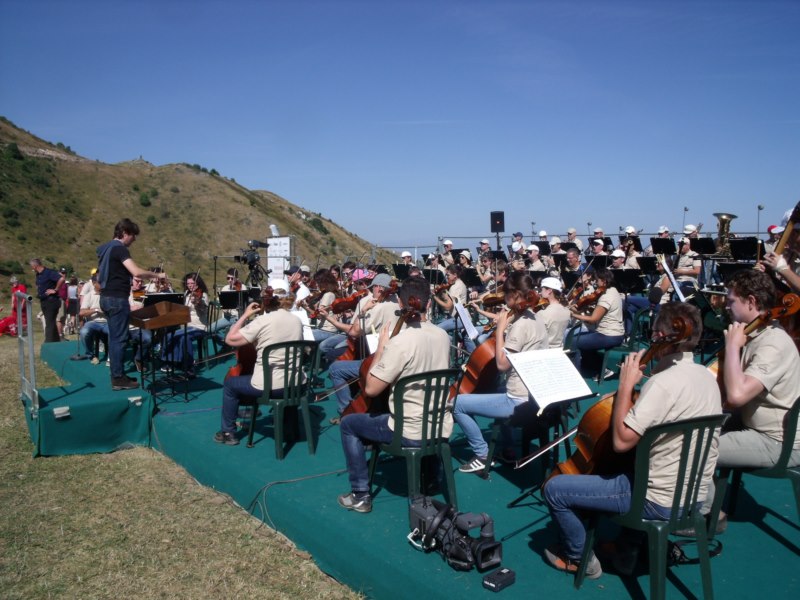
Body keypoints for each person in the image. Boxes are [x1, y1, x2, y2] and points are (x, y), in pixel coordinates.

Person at [543, 302, 721, 579]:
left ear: (661, 337)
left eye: (653, 332)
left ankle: (581, 560)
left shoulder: (662, 384)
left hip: (658, 500)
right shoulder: (705, 376)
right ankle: (627, 552)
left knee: (556, 489)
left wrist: (625, 387)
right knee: (632, 467)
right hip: (695, 497)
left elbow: (622, 441)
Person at [337, 275, 450, 513]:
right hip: (439, 426)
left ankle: (360, 494)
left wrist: (381, 349)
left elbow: (370, 389)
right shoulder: (444, 336)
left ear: (400, 303)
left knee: (348, 424)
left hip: (408, 430)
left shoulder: (400, 343)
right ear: (428, 304)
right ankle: (431, 478)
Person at [453, 271, 548, 473]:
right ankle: (508, 449)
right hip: (535, 393)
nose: (504, 299)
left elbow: (502, 365)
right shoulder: (536, 318)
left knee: (456, 404)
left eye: (506, 295)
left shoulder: (520, 326)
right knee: (496, 386)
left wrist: (500, 331)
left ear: (514, 296)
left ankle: (481, 454)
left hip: (518, 399)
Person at [712, 270, 800, 472]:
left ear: (751, 301)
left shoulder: (773, 343)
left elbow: (735, 397)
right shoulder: (753, 333)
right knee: (692, 430)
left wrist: (733, 348)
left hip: (777, 441)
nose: (726, 306)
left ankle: (702, 505)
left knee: (694, 448)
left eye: (731, 301)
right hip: (749, 422)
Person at [214, 280, 303, 445]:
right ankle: (290, 429)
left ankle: (228, 432)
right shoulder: (296, 321)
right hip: (295, 383)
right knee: (282, 381)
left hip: (270, 386)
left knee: (231, 384)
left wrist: (245, 315)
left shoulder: (263, 321)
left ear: (268, 301)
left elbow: (230, 339)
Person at [96, 218, 166, 391]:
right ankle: (118, 378)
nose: (134, 240)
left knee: (115, 338)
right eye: (133, 236)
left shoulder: (104, 249)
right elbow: (136, 271)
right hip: (117, 299)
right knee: (119, 339)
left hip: (106, 297)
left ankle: (117, 374)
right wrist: (157, 275)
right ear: (125, 233)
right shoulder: (119, 248)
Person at [327, 273, 401, 422]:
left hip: (380, 360)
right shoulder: (399, 303)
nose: (371, 291)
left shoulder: (379, 308)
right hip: (397, 356)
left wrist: (363, 311)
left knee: (335, 369)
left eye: (373, 287)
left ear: (379, 288)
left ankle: (345, 411)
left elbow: (354, 331)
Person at [570, 268, 625, 378]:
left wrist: (573, 315)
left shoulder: (606, 297)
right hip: (615, 333)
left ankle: (575, 375)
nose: (595, 283)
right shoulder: (613, 291)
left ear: (604, 281)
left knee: (574, 340)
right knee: (584, 339)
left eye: (597, 280)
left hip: (609, 335)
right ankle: (598, 368)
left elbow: (593, 319)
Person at [29, 258, 64, 343]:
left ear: (35, 266)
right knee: (50, 322)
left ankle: (48, 342)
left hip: (51, 301)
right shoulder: (38, 275)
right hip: (44, 300)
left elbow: (61, 279)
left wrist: (55, 289)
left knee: (49, 322)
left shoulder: (49, 272)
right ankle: (56, 341)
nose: (31, 268)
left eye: (32, 267)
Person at [78, 276, 108, 364]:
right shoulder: (88, 295)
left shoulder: (108, 294)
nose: (103, 284)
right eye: (100, 282)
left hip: (107, 322)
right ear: (94, 283)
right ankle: (91, 355)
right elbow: (82, 312)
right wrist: (95, 310)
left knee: (117, 332)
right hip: (93, 322)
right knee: (84, 332)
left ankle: (112, 355)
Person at [538, 277, 571, 349]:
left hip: (544, 350)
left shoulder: (542, 314)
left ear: (549, 291)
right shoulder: (567, 311)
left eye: (541, 289)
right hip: (560, 349)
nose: (540, 293)